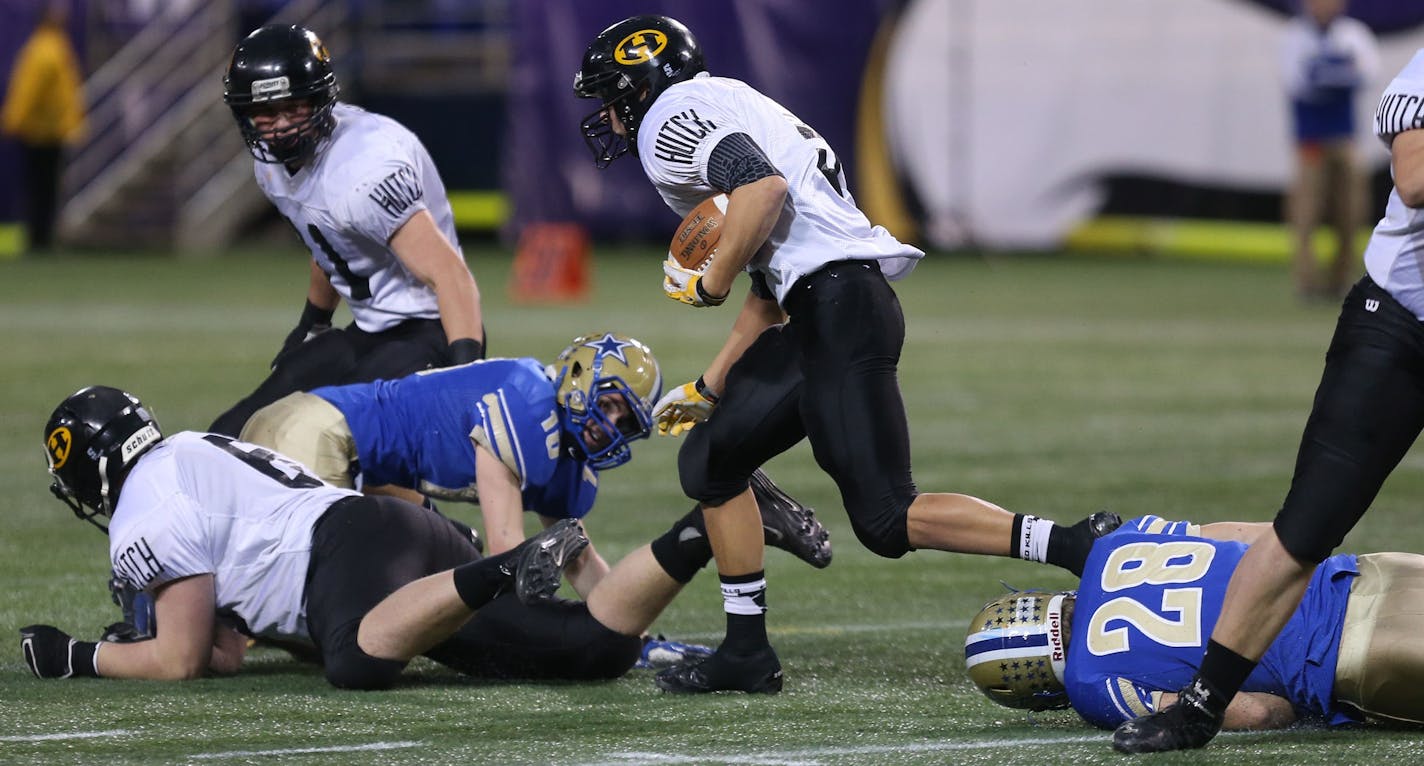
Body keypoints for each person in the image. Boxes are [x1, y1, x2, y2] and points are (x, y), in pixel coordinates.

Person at [573, 14, 1119, 695]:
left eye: (608, 98)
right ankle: (746, 651)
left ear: (638, 87)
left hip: (840, 310)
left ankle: (1074, 544)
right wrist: (712, 384)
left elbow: (762, 190)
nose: (607, 118)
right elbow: (773, 288)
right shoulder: (727, 99)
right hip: (825, 307)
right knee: (712, 460)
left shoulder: (669, 118)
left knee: (887, 518)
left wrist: (707, 281)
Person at [21, 385, 832, 687]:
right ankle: (708, 527)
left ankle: (504, 567)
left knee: (354, 658)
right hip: (394, 544)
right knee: (588, 651)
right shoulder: (188, 452)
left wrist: (78, 657)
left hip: (350, 558)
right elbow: (227, 649)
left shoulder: (144, 508)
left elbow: (182, 660)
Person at [1110, 47, 1424, 753]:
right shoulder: (1421, 76)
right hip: (1400, 329)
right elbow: (1414, 179)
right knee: (1306, 528)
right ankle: (1201, 703)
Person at [239, 331, 832, 599]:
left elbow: (580, 565)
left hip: (364, 471)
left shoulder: (567, 458)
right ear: (577, 380)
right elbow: (505, 553)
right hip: (317, 433)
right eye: (609, 410)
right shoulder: (527, 402)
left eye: (626, 424)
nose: (610, 430)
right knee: (315, 604)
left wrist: (636, 639)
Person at [207, 24, 485, 437]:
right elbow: (330, 242)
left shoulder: (367, 170)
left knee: (335, 439)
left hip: (430, 329)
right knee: (235, 433)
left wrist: (466, 376)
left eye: (294, 107)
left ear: (320, 100)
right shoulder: (270, 167)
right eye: (266, 112)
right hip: (370, 330)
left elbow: (451, 276)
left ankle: (414, 506)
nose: (281, 125)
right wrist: (313, 323)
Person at [964, 515, 1424, 731]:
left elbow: (1260, 712)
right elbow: (1264, 535)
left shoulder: (1091, 684)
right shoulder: (1114, 545)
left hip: (1357, 658)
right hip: (1367, 574)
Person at [1280, 0, 1379, 300]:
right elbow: (1296, 82)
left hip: (1344, 136)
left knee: (1351, 208)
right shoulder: (1294, 35)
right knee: (1306, 210)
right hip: (1310, 138)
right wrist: (1337, 72)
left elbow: (1367, 74)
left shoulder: (1353, 34)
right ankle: (1307, 280)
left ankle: (1342, 277)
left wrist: (1327, 73)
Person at [1, 2, 86, 253]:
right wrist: (14, 121)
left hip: (49, 132)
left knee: (44, 190)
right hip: (41, 133)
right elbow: (28, 92)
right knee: (42, 190)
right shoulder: (45, 49)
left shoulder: (54, 45)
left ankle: (42, 238)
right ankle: (39, 240)